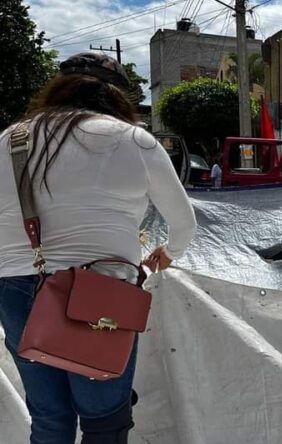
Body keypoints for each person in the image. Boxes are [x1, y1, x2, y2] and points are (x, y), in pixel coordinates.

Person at [0, 52, 197, 443]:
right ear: (117, 96)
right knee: (104, 419)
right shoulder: (134, 140)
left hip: (17, 284)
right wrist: (170, 251)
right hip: (103, 291)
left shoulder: (10, 139)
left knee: (49, 417)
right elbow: (184, 223)